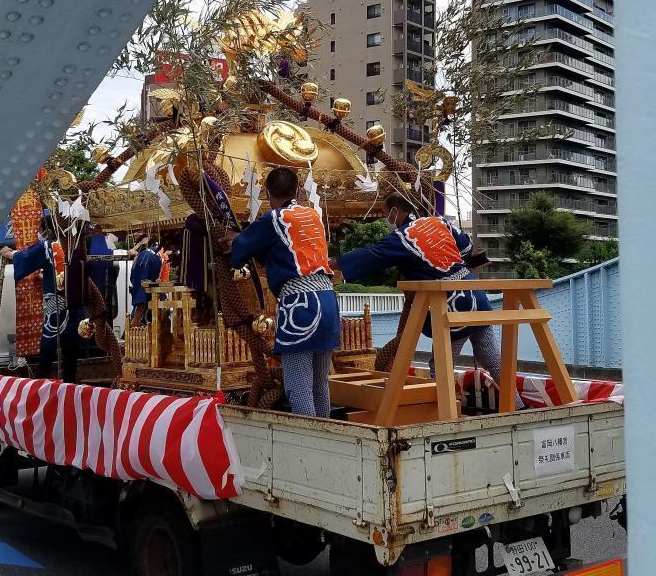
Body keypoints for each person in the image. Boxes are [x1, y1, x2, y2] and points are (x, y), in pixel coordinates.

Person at [335, 193, 524, 410]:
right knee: (490, 356)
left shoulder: (402, 237)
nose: (386, 218)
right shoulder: (439, 221)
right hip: (475, 293)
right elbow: (466, 247)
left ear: (396, 211)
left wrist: (334, 263)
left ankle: (445, 412)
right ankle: (518, 406)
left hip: (452, 304)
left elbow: (371, 254)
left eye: (386, 214)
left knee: (441, 365)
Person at [223, 166, 341, 417]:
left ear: (267, 193)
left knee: (298, 387)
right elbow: (281, 251)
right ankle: (327, 438)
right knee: (320, 384)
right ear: (298, 189)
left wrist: (236, 239)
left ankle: (308, 443)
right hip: (328, 300)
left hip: (300, 304)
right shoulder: (313, 217)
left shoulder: (273, 219)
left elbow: (237, 255)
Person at [0, 217, 87, 383]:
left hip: (57, 306)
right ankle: (70, 384)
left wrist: (9, 253)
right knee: (70, 350)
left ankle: (40, 386)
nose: (39, 235)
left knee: (48, 346)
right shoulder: (74, 245)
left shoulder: (48, 246)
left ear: (47, 231)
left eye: (40, 231)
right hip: (75, 304)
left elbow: (26, 257)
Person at [129, 237, 163, 327]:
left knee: (138, 314)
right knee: (139, 315)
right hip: (148, 291)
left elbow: (133, 276)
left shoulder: (143, 255)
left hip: (142, 289)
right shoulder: (152, 257)